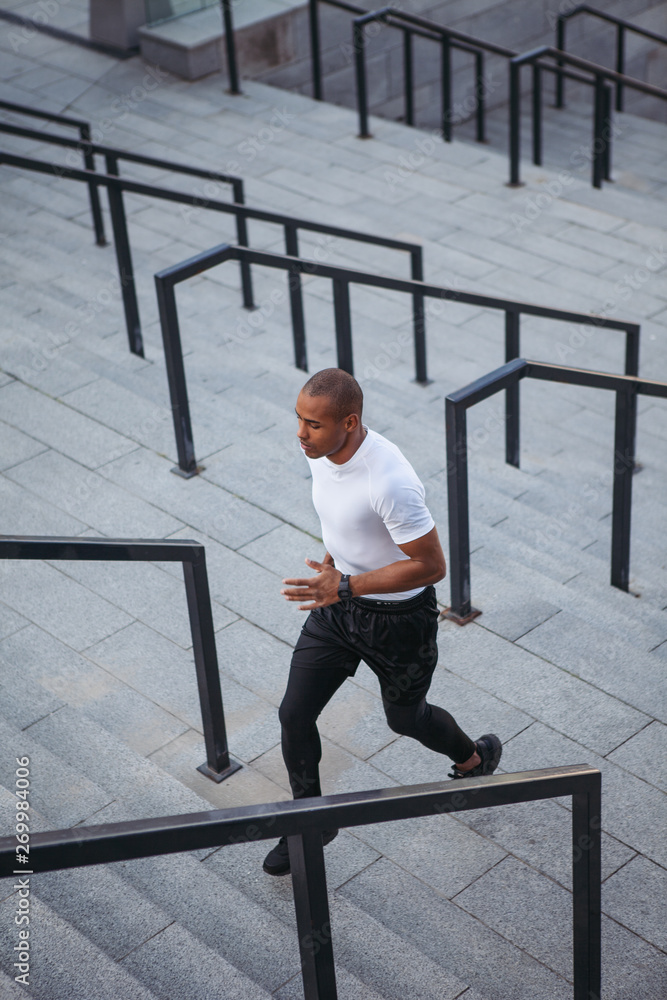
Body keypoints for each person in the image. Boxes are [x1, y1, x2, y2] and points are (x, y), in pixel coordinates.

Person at [263, 368, 501, 876]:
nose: (301, 434)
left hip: (400, 622)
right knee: (293, 714)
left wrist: (346, 584)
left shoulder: (390, 480)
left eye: (314, 425)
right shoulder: (322, 452)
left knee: (405, 719)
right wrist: (333, 565)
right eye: (299, 420)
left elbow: (433, 567)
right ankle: (312, 821)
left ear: (349, 422)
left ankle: (474, 759)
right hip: (338, 608)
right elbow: (339, 517)